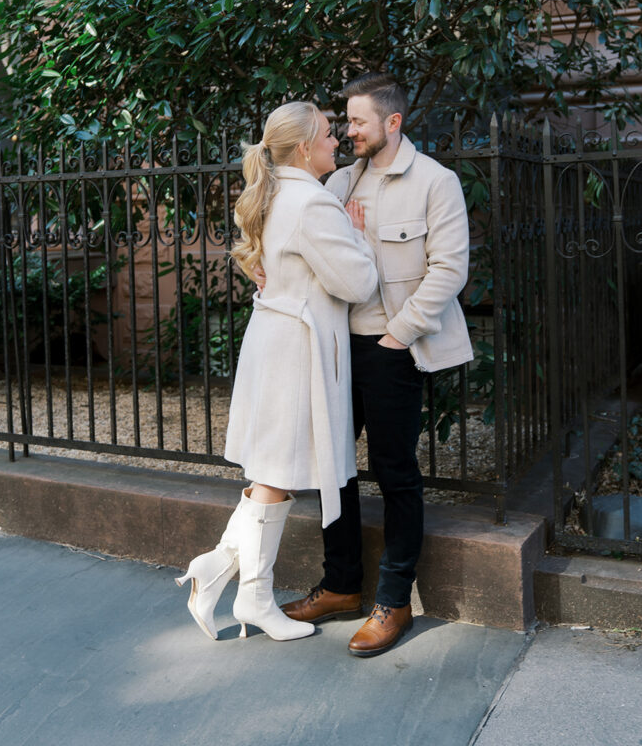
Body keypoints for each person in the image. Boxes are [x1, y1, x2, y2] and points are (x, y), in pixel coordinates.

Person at [282, 73, 473, 657]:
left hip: (393, 351)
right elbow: (294, 229)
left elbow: (450, 269)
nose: (348, 130)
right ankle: (341, 586)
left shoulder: (436, 183)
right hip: (336, 347)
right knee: (332, 467)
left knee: (395, 474)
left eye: (358, 121)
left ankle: (393, 601)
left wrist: (398, 335)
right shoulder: (338, 181)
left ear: (392, 122)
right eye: (345, 121)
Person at [175, 101, 377, 642]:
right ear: (305, 145)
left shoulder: (274, 194)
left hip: (274, 341)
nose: (336, 142)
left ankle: (222, 573)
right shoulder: (313, 203)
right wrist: (357, 235)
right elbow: (358, 285)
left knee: (271, 470)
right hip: (295, 351)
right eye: (329, 135)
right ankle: (252, 595)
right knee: (275, 473)